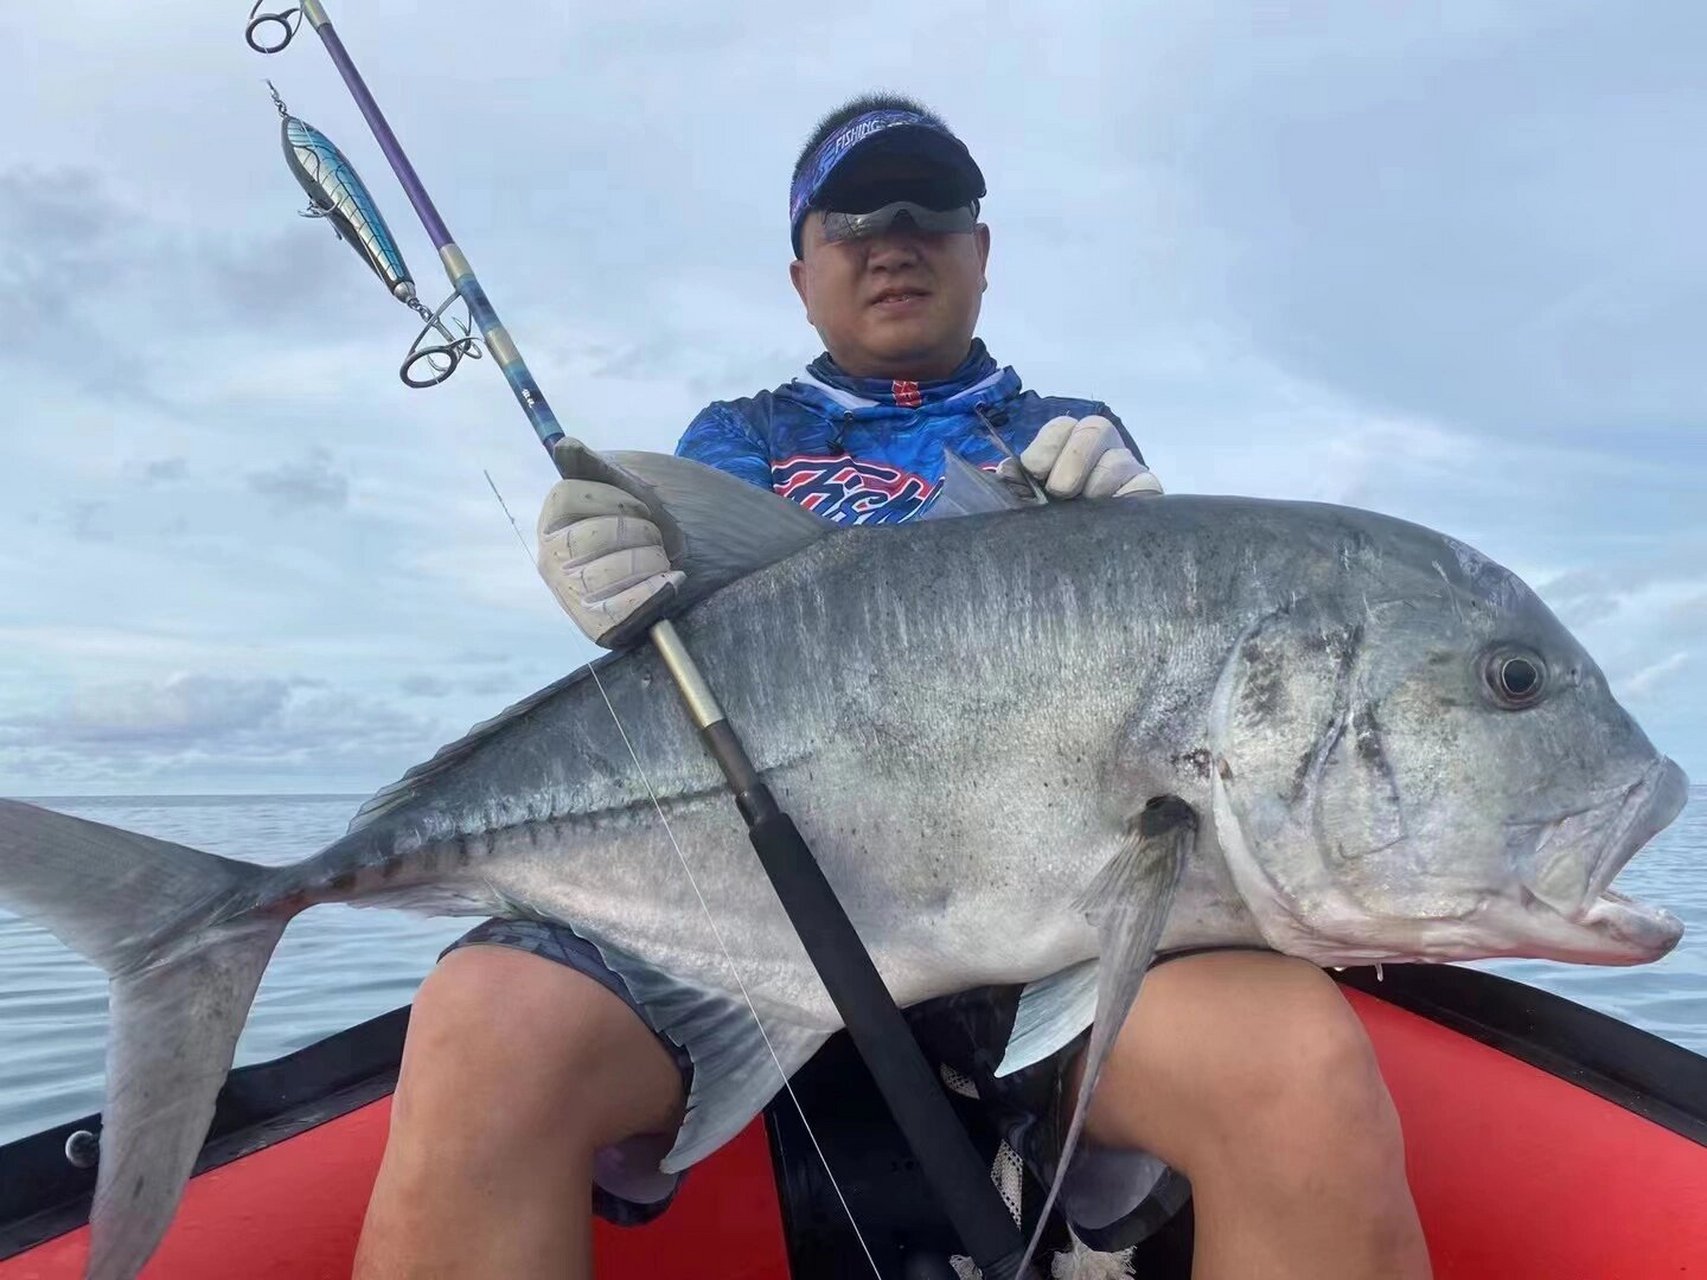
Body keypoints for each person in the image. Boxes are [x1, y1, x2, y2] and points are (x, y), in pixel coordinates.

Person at [353, 96, 1433, 1280]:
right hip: (752, 920)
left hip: (1040, 941)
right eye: (851, 216)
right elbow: (689, 667)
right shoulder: (740, 439)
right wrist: (615, 571)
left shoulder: (1063, 436)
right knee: (478, 1026)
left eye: (933, 208)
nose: (894, 236)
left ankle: (1071, 1143)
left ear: (983, 252)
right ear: (800, 272)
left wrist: (1142, 552)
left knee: (1298, 1061)